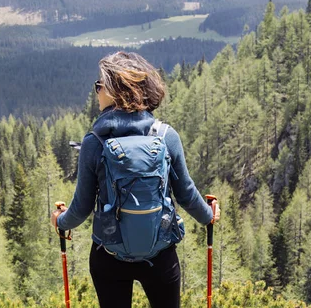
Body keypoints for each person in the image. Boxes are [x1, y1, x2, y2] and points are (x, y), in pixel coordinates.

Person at [50, 51, 220, 308]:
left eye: (99, 86)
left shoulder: (94, 143)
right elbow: (185, 193)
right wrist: (209, 215)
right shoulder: (166, 137)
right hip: (160, 255)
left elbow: (81, 207)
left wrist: (60, 221)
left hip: (109, 256)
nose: (96, 91)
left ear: (116, 91)